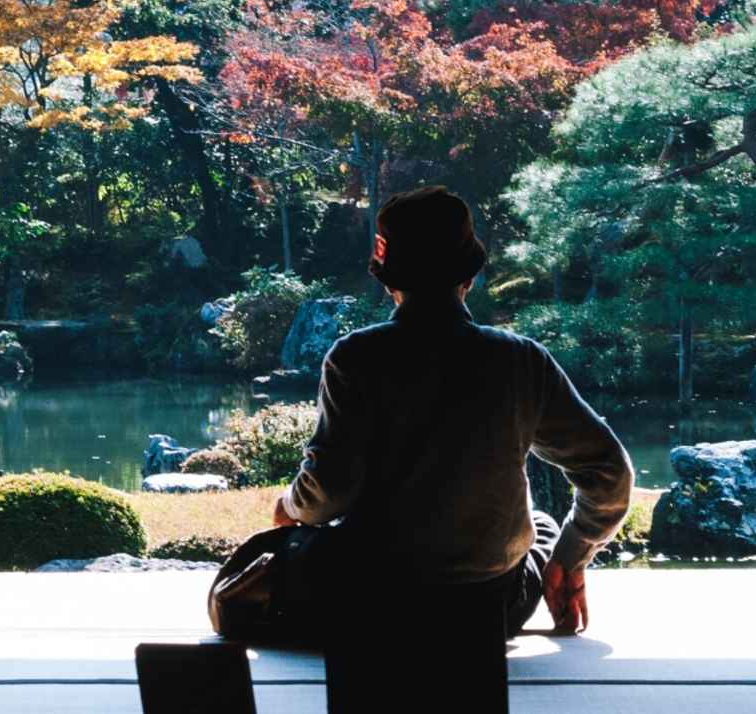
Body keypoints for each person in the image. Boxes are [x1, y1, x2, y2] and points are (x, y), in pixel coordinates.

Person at [271, 186, 633, 636]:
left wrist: (288, 505)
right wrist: (570, 556)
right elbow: (610, 472)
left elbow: (328, 491)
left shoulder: (356, 357)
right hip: (488, 608)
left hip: (371, 602)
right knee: (538, 524)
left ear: (387, 276)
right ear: (471, 276)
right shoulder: (520, 360)